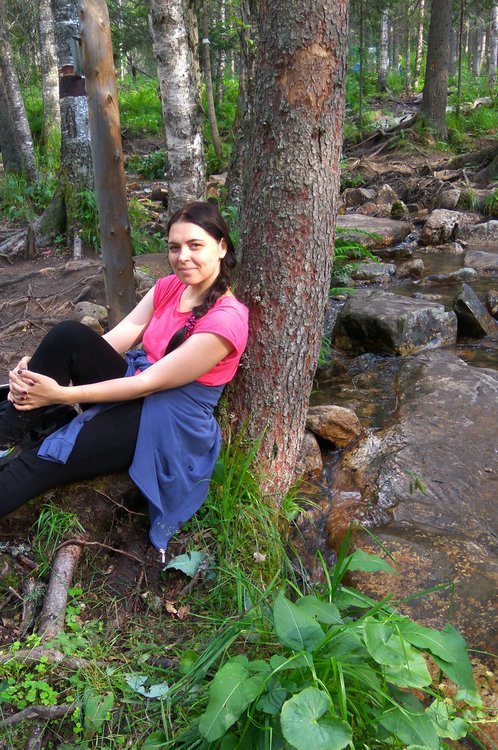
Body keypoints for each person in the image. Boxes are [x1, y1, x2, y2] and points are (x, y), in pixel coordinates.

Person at [0, 201, 249, 560]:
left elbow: (150, 383)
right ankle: (5, 437)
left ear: (221, 247)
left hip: (166, 422)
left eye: (195, 245)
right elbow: (117, 338)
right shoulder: (169, 287)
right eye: (174, 247)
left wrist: (61, 393)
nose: (182, 257)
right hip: (136, 383)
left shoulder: (226, 321)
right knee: (67, 336)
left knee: (46, 459)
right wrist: (38, 369)